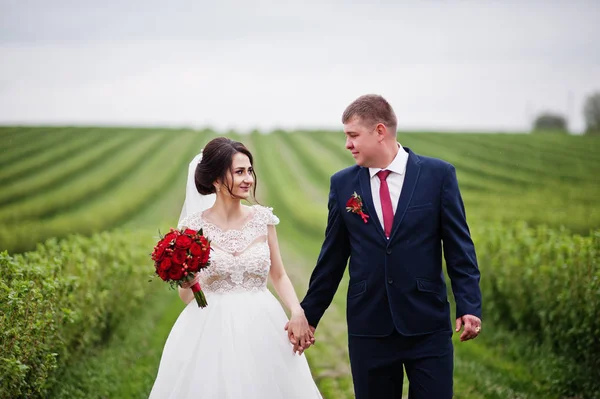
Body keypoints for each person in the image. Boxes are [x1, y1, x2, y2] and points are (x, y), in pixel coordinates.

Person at [296, 94, 482, 398]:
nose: (347, 144)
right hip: (369, 327)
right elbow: (332, 258)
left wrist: (469, 305)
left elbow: (459, 247)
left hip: (427, 324)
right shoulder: (343, 184)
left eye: (353, 135)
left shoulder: (438, 175)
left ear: (379, 131)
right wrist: (309, 316)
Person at [149, 137, 321, 399]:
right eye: (239, 172)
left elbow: (279, 275)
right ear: (216, 180)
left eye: (249, 171)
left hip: (263, 322)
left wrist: (297, 310)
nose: (248, 179)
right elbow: (186, 298)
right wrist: (188, 280)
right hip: (209, 328)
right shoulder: (192, 228)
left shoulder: (263, 219)